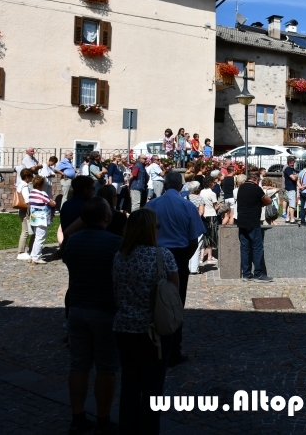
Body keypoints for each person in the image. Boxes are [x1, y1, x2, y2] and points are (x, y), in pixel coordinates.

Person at [112, 209, 178, 434]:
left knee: (130, 384)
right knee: (152, 386)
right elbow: (173, 291)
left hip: (124, 326)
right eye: (156, 226)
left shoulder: (119, 255)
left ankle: (127, 427)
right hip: (154, 329)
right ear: (150, 230)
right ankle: (149, 429)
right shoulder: (163, 255)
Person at [63, 198, 121, 435]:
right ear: (106, 217)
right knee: (106, 368)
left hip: (77, 308)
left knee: (79, 365)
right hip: (105, 309)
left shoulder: (73, 242)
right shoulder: (116, 243)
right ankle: (103, 419)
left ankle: (77, 417)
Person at [145, 171, 205, 366]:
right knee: (175, 302)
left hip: (154, 253)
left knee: (151, 300)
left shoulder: (152, 205)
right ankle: (173, 350)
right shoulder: (187, 206)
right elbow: (194, 240)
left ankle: (152, 346)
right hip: (178, 255)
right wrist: (183, 259)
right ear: (180, 187)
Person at [237, 172, 273, 281]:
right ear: (257, 180)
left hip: (242, 221)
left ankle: (246, 274)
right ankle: (258, 273)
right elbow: (268, 201)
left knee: (245, 248)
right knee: (257, 248)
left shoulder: (241, 187)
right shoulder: (257, 189)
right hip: (253, 221)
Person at [29, 175, 56, 264]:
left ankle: (33, 255)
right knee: (40, 238)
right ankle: (36, 257)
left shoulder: (32, 193)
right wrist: (54, 203)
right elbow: (51, 203)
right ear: (42, 185)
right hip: (42, 218)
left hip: (34, 218)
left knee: (37, 237)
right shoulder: (42, 194)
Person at [199, 175, 220, 266]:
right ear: (211, 183)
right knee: (211, 235)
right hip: (211, 215)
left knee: (204, 236)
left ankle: (201, 257)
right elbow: (216, 206)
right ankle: (209, 257)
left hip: (203, 215)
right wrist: (218, 206)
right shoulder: (212, 193)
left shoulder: (201, 192)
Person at [15, 168, 35, 260]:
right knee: (26, 231)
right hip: (26, 211)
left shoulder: (20, 184)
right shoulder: (25, 186)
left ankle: (27, 250)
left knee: (27, 231)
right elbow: (27, 200)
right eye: (31, 176)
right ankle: (21, 251)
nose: (32, 178)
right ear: (27, 177)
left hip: (22, 210)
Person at [282, 157, 298, 223]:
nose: (292, 164)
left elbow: (295, 177)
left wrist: (295, 175)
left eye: (293, 163)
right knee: (292, 205)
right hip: (290, 189)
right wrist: (296, 175)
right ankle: (292, 219)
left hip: (292, 188)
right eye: (291, 163)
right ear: (288, 163)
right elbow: (293, 178)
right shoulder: (287, 169)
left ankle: (287, 218)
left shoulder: (292, 169)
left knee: (289, 204)